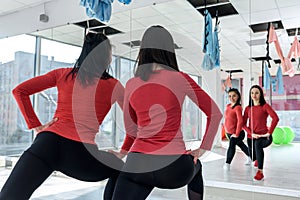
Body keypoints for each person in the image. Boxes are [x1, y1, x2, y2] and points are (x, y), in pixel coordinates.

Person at [0, 32, 125, 200]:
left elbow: (19, 91)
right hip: (80, 155)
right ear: (107, 58)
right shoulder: (114, 86)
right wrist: (122, 152)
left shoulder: (63, 74)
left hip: (46, 144)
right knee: (120, 168)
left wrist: (36, 125)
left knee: (9, 196)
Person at [110, 25, 223, 200]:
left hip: (138, 164)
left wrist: (122, 153)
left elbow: (132, 131)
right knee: (197, 166)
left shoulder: (132, 84)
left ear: (143, 50)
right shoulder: (180, 78)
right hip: (174, 168)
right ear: (169, 50)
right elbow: (215, 114)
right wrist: (202, 149)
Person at [243, 85, 279, 181]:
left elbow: (275, 118)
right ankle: (257, 159)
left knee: (257, 144)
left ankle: (260, 172)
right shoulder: (247, 108)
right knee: (253, 155)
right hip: (251, 137)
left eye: (257, 93)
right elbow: (242, 124)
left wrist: (269, 133)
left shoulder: (265, 106)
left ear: (261, 94)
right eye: (252, 93)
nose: (254, 95)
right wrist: (251, 133)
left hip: (264, 137)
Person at [223, 88, 251, 171]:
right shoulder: (228, 106)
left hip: (237, 133)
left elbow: (240, 121)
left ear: (238, 96)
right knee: (241, 145)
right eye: (230, 96)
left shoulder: (238, 107)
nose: (232, 98)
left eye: (234, 96)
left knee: (231, 146)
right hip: (229, 133)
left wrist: (237, 133)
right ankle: (252, 157)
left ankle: (227, 163)